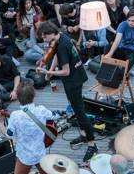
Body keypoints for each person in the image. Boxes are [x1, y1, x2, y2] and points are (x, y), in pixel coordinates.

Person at [36, 23, 98, 158]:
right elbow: (57, 56)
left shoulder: (62, 45)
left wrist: (48, 71)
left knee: (80, 113)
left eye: (44, 36)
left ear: (51, 33)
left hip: (73, 81)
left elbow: (65, 71)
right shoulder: (61, 37)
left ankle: (92, 145)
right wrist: (51, 71)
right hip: (77, 76)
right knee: (76, 109)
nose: (44, 39)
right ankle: (83, 136)